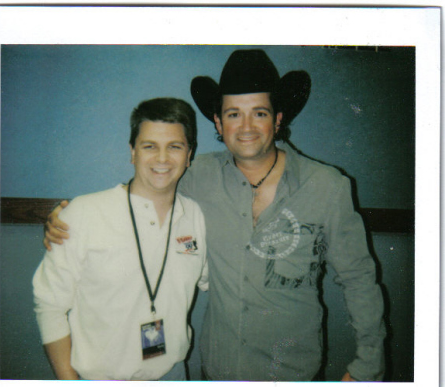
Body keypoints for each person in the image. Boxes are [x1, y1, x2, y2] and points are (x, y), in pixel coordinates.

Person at [43, 49, 386, 382]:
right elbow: (147, 185)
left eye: (260, 113)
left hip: (292, 373)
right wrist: (67, 217)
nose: (246, 126)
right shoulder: (197, 176)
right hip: (217, 371)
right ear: (219, 123)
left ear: (278, 118)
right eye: (234, 114)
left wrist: (368, 366)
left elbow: (359, 279)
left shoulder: (327, 186)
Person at [33, 98, 208, 381]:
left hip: (173, 373)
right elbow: (49, 306)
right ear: (132, 152)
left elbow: (211, 277)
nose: (162, 158)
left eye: (174, 146)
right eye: (149, 146)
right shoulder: (83, 213)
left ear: (189, 154)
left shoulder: (195, 216)